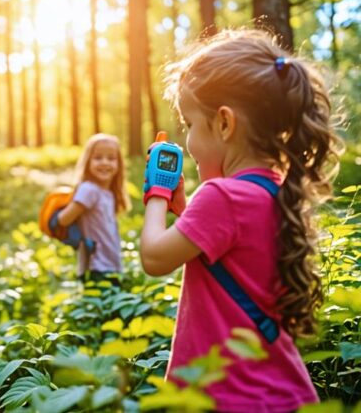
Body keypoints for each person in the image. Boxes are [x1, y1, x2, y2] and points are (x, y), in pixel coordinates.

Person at [140, 29, 342, 411]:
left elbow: (154, 258)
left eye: (190, 125)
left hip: (231, 396)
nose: (188, 141)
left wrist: (157, 194)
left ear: (225, 124)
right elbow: (232, 252)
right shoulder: (274, 192)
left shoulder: (222, 198)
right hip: (278, 392)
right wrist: (186, 212)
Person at [55, 134, 131, 286]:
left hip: (111, 265)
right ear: (88, 161)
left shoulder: (108, 193)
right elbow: (63, 219)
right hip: (95, 267)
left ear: (119, 163)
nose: (104, 162)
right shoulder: (89, 190)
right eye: (98, 158)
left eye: (111, 158)